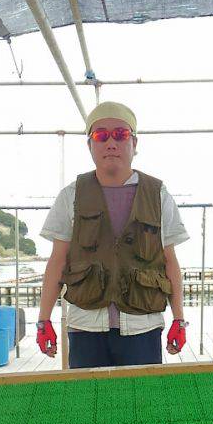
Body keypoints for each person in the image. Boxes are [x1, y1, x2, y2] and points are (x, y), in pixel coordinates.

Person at [36, 101, 189, 369]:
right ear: (90, 145)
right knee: (89, 404)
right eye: (100, 135)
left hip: (144, 326)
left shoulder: (158, 195)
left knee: (141, 404)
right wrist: (43, 319)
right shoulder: (70, 196)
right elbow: (57, 261)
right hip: (85, 326)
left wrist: (179, 318)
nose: (111, 142)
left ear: (134, 143)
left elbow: (170, 261)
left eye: (120, 134)